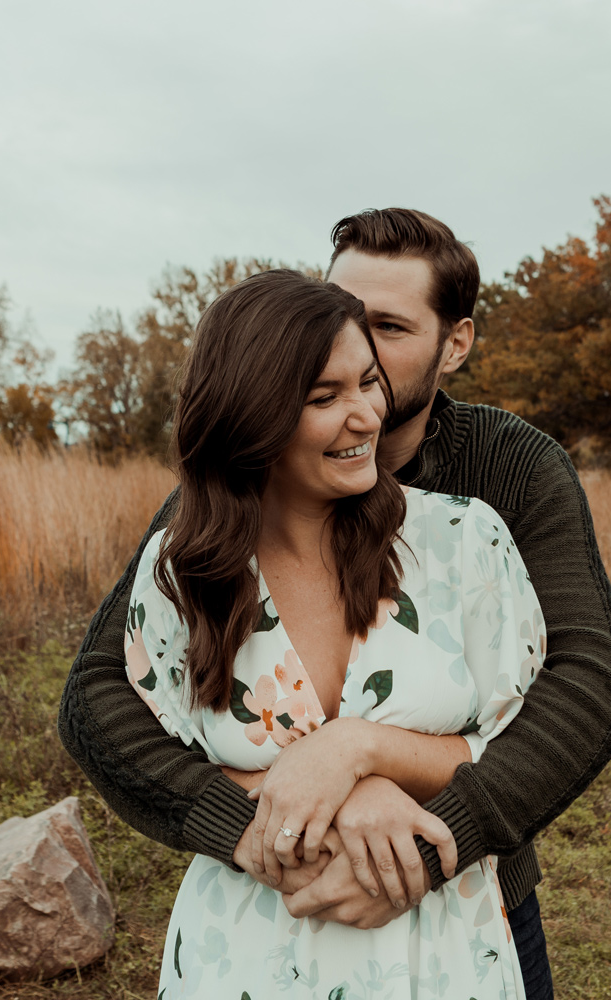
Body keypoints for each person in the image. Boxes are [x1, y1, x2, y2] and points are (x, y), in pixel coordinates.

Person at [59, 209, 611, 999]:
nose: (355, 348)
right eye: (342, 321)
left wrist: (386, 787)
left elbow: (584, 688)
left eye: (387, 331)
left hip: (457, 906)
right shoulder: (207, 530)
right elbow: (103, 695)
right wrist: (278, 811)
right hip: (257, 935)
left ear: (455, 344)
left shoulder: (498, 491)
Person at [125, 267, 541, 996]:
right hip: (244, 954)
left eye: (368, 383)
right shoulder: (182, 569)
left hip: (436, 955)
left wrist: (364, 757)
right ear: (250, 415)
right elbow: (155, 755)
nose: (367, 416)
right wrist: (340, 796)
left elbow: (523, 749)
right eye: (325, 398)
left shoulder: (462, 542)